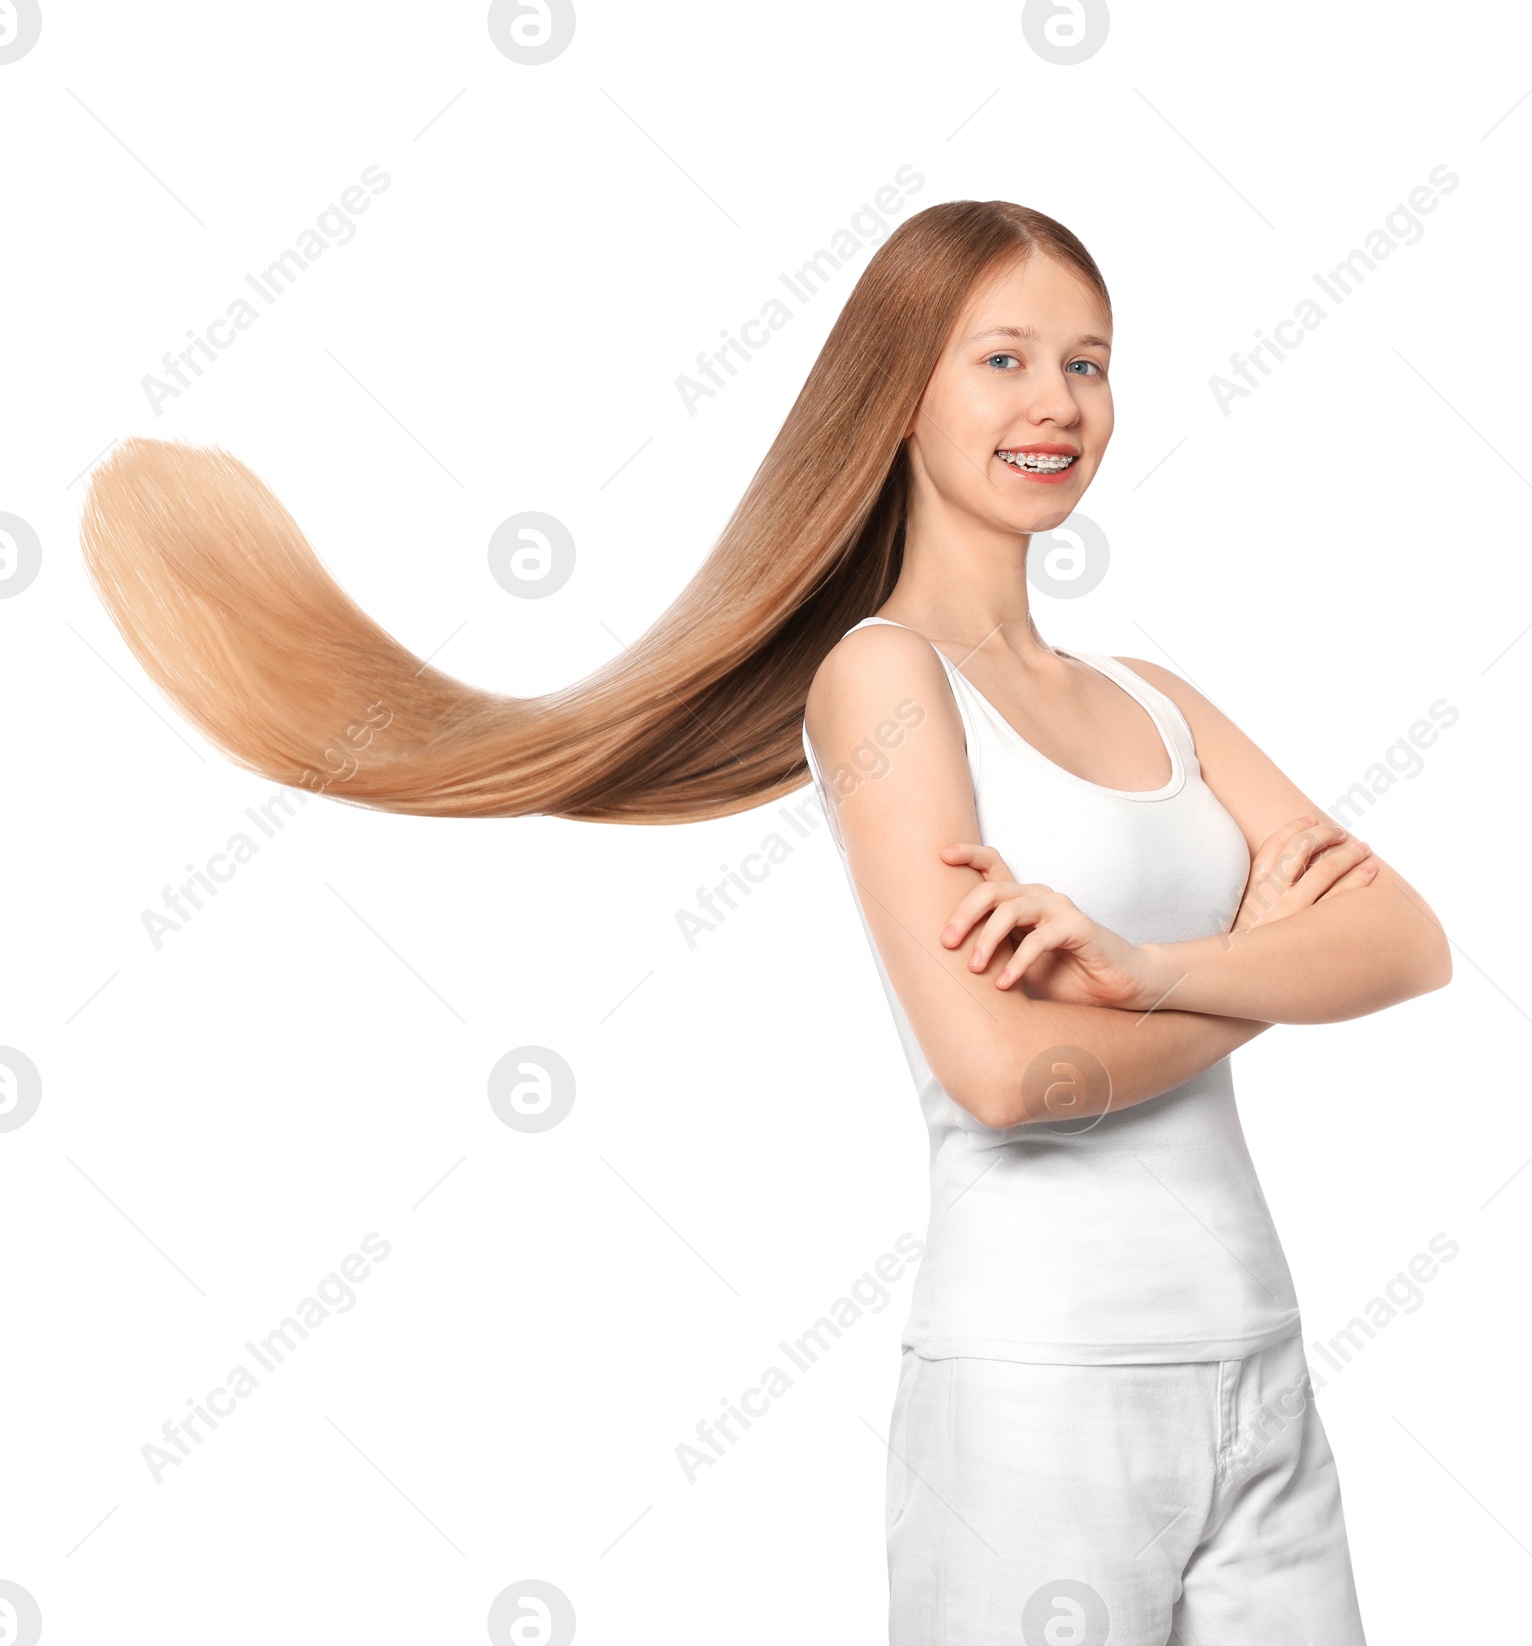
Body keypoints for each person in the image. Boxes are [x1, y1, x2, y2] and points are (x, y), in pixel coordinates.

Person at [78, 200, 1450, 1642]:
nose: (1057, 402)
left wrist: (1147, 966)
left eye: (1090, 363)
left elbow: (1409, 940)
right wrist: (1270, 978)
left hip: (1262, 1364)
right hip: (1043, 1391)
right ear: (901, 390)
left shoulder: (1163, 699)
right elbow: (1006, 1076)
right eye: (1004, 359)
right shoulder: (883, 681)